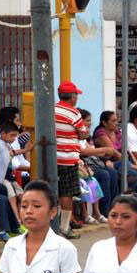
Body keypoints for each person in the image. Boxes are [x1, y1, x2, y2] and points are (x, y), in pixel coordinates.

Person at [53, 81, 87, 239]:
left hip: (53, 158)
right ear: (72, 96)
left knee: (54, 191)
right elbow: (83, 134)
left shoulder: (52, 110)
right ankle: (64, 227)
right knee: (66, 193)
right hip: (67, 159)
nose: (77, 98)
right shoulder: (74, 113)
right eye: (76, 95)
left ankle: (54, 225)